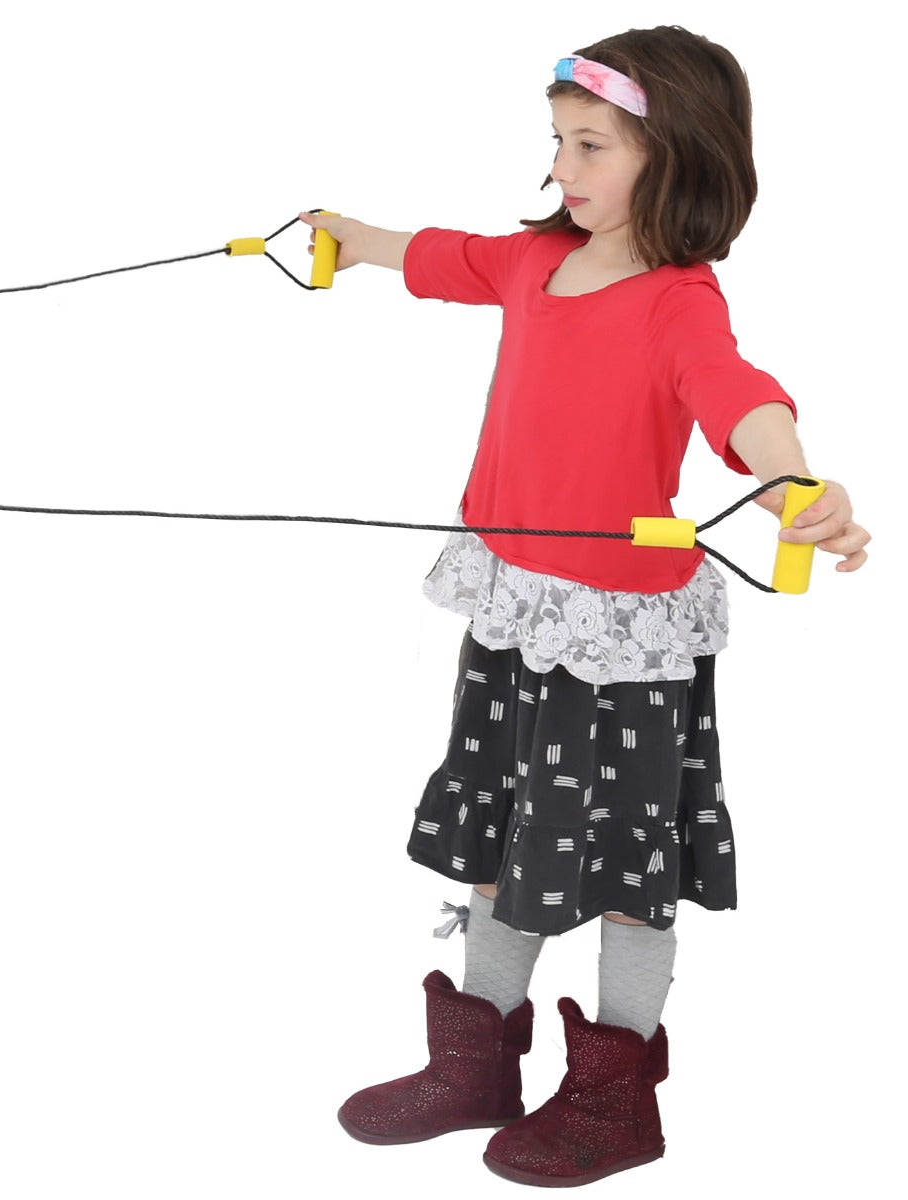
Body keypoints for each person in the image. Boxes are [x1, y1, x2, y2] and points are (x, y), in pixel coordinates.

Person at [298, 24, 870, 1189]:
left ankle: (615, 1102)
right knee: (498, 836)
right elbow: (438, 254)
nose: (562, 166)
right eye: (558, 141)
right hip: (514, 616)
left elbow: (739, 397)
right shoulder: (532, 262)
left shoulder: (677, 302)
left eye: (592, 145)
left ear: (679, 158)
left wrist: (795, 484)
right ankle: (473, 1067)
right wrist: (346, 239)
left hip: (618, 647)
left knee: (624, 867)